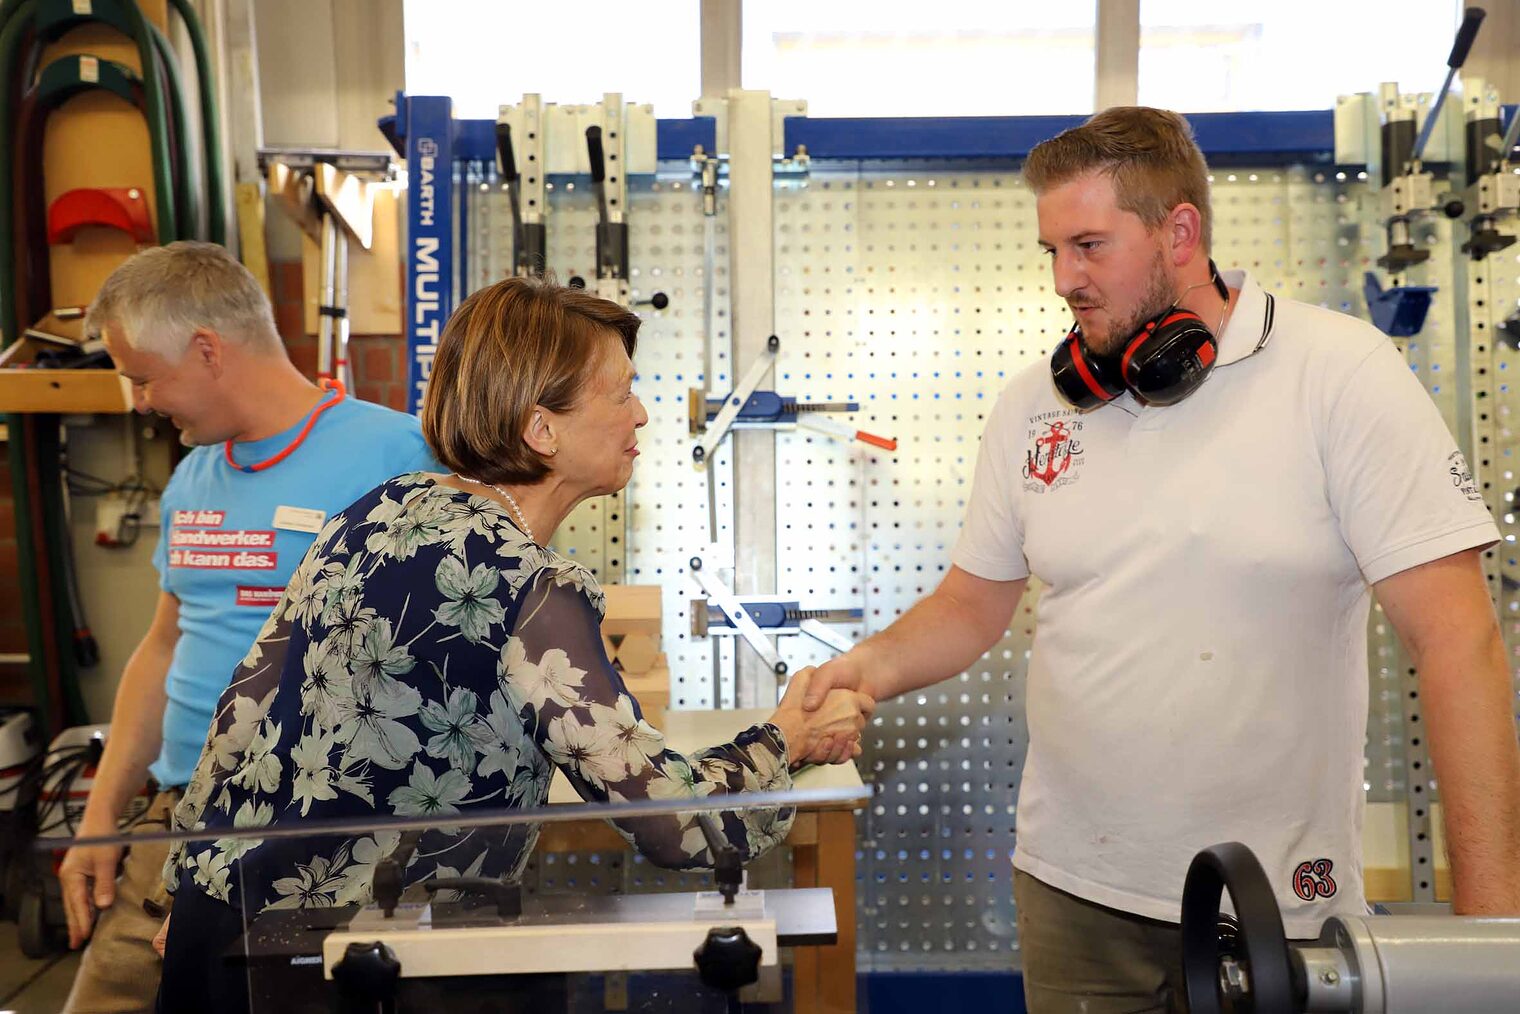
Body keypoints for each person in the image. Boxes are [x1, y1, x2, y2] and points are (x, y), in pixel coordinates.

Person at [799, 106, 1520, 1011]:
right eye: (1052, 250)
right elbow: (972, 604)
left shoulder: (1341, 375)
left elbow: (1460, 642)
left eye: (1091, 246)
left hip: (1269, 908)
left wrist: (1495, 936)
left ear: (1181, 230)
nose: (1065, 278)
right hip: (1071, 898)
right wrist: (859, 668)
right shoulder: (1036, 405)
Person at [153, 276, 873, 1011]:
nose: (643, 414)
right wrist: (786, 738)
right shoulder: (532, 585)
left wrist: (183, 876)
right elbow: (671, 823)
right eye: (620, 394)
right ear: (542, 430)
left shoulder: (378, 508)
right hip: (353, 968)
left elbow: (245, 701)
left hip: (224, 924)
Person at [58, 241, 438, 1014]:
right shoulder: (192, 476)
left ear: (206, 349)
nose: (137, 401)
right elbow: (165, 646)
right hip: (175, 823)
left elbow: (434, 669)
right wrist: (100, 821)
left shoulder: (399, 457)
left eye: (142, 376)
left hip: (316, 830)